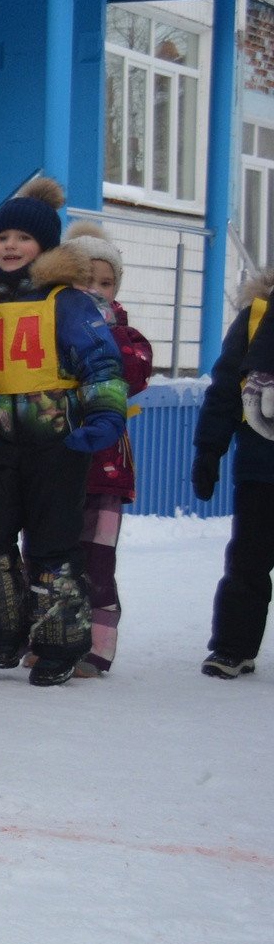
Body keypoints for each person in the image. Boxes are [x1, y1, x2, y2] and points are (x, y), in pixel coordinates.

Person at [0, 178, 127, 686]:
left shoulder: (68, 303)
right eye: (2, 237)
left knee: (53, 548)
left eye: (23, 238)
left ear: (46, 247)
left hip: (59, 443)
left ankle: (59, 645)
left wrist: (102, 420)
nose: (10, 245)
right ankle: (5, 634)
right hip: (2, 445)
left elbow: (102, 363)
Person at [64, 220, 153, 677]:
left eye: (105, 282)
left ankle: (97, 648)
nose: (95, 290)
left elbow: (133, 373)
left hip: (106, 473)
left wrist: (103, 331)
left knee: (97, 561)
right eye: (85, 281)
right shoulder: (52, 324)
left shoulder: (126, 336)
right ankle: (52, 640)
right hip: (57, 463)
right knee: (52, 557)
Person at [192, 267, 274, 678]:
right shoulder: (258, 316)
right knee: (248, 560)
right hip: (263, 469)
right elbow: (226, 387)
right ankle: (232, 646)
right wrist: (209, 449)